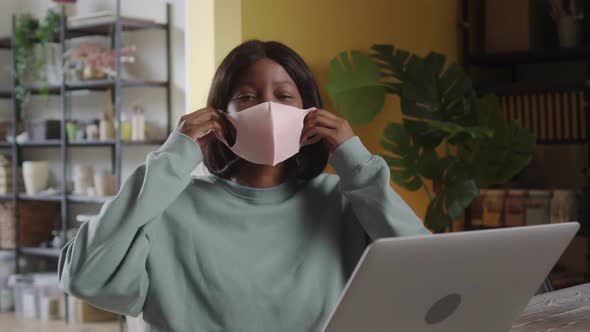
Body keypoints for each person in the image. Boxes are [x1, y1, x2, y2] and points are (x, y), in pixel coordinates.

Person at [58, 40, 430, 332]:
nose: (268, 108)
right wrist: (171, 160)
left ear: (310, 116)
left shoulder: (344, 203)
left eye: (284, 96)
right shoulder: (166, 205)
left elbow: (424, 272)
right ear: (220, 115)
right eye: (247, 97)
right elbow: (84, 277)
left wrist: (358, 165)